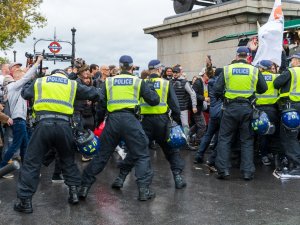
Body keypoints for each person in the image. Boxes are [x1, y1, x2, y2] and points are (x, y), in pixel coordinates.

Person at [14, 67, 101, 213]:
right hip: (64, 127)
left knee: (32, 162)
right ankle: (73, 194)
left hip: (42, 126)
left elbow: (24, 93)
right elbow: (94, 94)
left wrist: (34, 79)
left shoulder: (40, 81)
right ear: (65, 75)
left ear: (52, 74)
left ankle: (25, 202)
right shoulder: (71, 84)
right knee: (68, 160)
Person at [79, 55, 159, 201]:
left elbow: (101, 104)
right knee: (141, 154)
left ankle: (84, 187)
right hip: (130, 120)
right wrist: (151, 88)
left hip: (112, 121)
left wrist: (99, 122)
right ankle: (143, 190)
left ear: (120, 66)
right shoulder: (138, 81)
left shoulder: (109, 81)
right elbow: (154, 101)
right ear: (132, 66)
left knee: (101, 156)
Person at [111, 59, 186, 190]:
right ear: (159, 69)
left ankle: (120, 178)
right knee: (171, 150)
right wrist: (174, 122)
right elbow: (175, 107)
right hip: (162, 122)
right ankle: (178, 177)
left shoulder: (141, 83)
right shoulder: (166, 84)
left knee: (136, 150)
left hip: (144, 122)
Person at [214, 46, 267, 181]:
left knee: (225, 139)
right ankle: (247, 172)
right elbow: (263, 88)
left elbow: (217, 89)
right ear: (248, 56)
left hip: (230, 108)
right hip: (247, 109)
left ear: (237, 56)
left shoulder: (227, 69)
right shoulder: (254, 70)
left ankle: (223, 170)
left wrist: (225, 97)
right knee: (247, 140)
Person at [0, 58, 43, 171]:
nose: (25, 80)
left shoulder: (15, 88)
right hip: (18, 119)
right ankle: (2, 167)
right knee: (15, 145)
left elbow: (26, 76)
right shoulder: (14, 86)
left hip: (20, 119)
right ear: (18, 78)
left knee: (25, 145)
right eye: (22, 77)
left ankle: (26, 168)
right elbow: (26, 77)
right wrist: (37, 62)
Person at [274, 52, 300, 175]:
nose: (291, 62)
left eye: (293, 60)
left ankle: (296, 164)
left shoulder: (292, 71)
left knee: (289, 136)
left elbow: (276, 83)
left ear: (298, 61)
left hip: (291, 107)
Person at [255, 60, 281, 166]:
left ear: (261, 68)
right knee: (274, 133)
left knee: (263, 134)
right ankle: (276, 155)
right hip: (272, 110)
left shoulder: (257, 77)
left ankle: (264, 156)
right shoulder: (276, 77)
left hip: (259, 110)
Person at [171, 65, 197, 149]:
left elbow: (192, 94)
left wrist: (194, 106)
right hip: (173, 109)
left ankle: (187, 143)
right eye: (174, 72)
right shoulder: (170, 82)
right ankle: (172, 142)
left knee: (185, 125)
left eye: (176, 72)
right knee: (171, 125)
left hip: (182, 108)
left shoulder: (185, 82)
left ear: (180, 73)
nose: (175, 74)